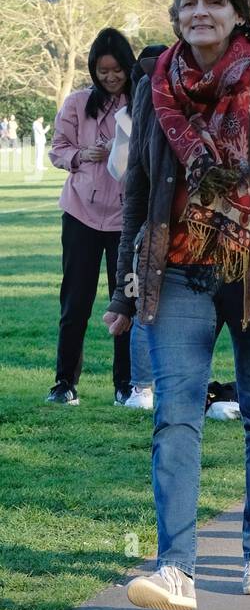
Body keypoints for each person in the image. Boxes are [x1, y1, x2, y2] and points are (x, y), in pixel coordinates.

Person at [103, 0, 250, 610]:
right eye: (188, 2)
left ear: (237, 12)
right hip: (175, 275)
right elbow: (138, 193)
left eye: (212, 2)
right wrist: (124, 291)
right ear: (177, 14)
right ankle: (177, 569)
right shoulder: (154, 85)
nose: (199, 13)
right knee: (175, 418)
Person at [47, 27, 136, 405]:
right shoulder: (76, 104)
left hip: (126, 219)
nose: (111, 77)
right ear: (93, 71)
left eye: (117, 70)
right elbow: (57, 150)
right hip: (81, 213)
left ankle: (126, 385)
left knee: (125, 302)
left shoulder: (140, 103)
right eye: (103, 71)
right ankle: (65, 383)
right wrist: (82, 155)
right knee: (76, 301)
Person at [106, 45, 169, 409]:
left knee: (146, 299)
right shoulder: (135, 113)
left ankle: (142, 387)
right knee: (144, 300)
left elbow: (119, 168)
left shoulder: (131, 114)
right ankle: (144, 385)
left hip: (148, 220)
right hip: (147, 219)